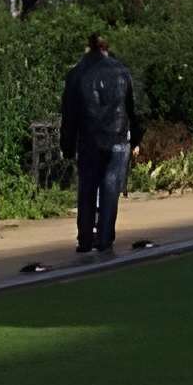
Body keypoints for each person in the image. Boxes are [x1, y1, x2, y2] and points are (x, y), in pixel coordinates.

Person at [58, 31, 144, 257]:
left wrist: (67, 145)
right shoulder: (121, 72)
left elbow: (69, 115)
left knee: (87, 188)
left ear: (89, 47)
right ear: (106, 47)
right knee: (110, 190)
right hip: (116, 138)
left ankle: (85, 238)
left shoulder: (76, 74)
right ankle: (105, 237)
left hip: (88, 139)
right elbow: (134, 110)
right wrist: (136, 138)